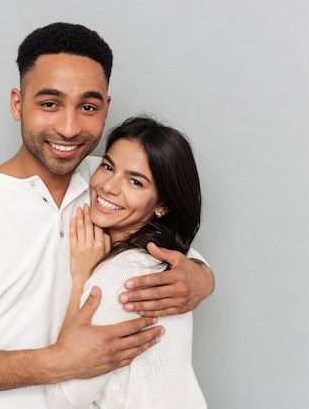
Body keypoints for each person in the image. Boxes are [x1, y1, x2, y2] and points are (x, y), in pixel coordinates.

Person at [0, 22, 214, 409]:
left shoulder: (108, 181)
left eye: (87, 107)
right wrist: (56, 363)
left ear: (106, 108)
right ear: (18, 103)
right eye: (49, 104)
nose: (68, 128)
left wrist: (201, 276)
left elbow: (162, 241)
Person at [47, 116, 206, 408]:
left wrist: (82, 277)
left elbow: (62, 399)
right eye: (107, 167)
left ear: (162, 205)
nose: (108, 186)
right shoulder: (163, 262)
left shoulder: (121, 276)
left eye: (135, 181)